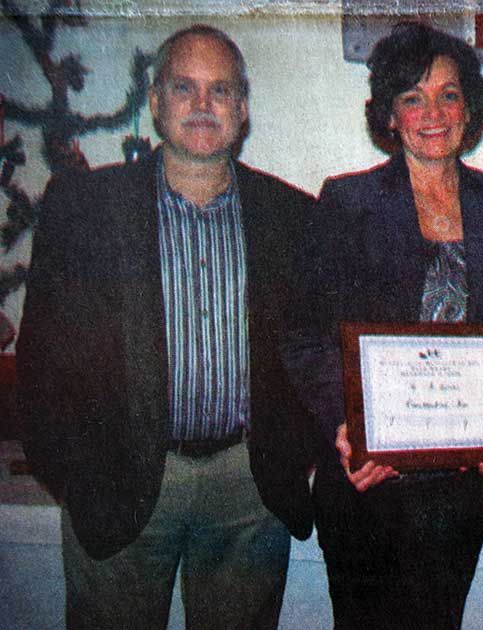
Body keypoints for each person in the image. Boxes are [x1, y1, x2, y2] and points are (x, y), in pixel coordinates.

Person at [17, 25, 316, 629]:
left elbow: (312, 350)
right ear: (155, 102)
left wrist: (294, 454)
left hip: (248, 488)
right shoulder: (83, 209)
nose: (203, 106)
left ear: (242, 109)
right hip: (119, 482)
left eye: (221, 90)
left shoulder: (294, 216)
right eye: (185, 88)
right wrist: (74, 478)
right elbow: (41, 361)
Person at [281, 21, 483, 629]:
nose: (433, 112)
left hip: (459, 486)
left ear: (470, 109)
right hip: (366, 479)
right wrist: (346, 428)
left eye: (449, 94)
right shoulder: (346, 203)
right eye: (412, 97)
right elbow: (303, 337)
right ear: (389, 115)